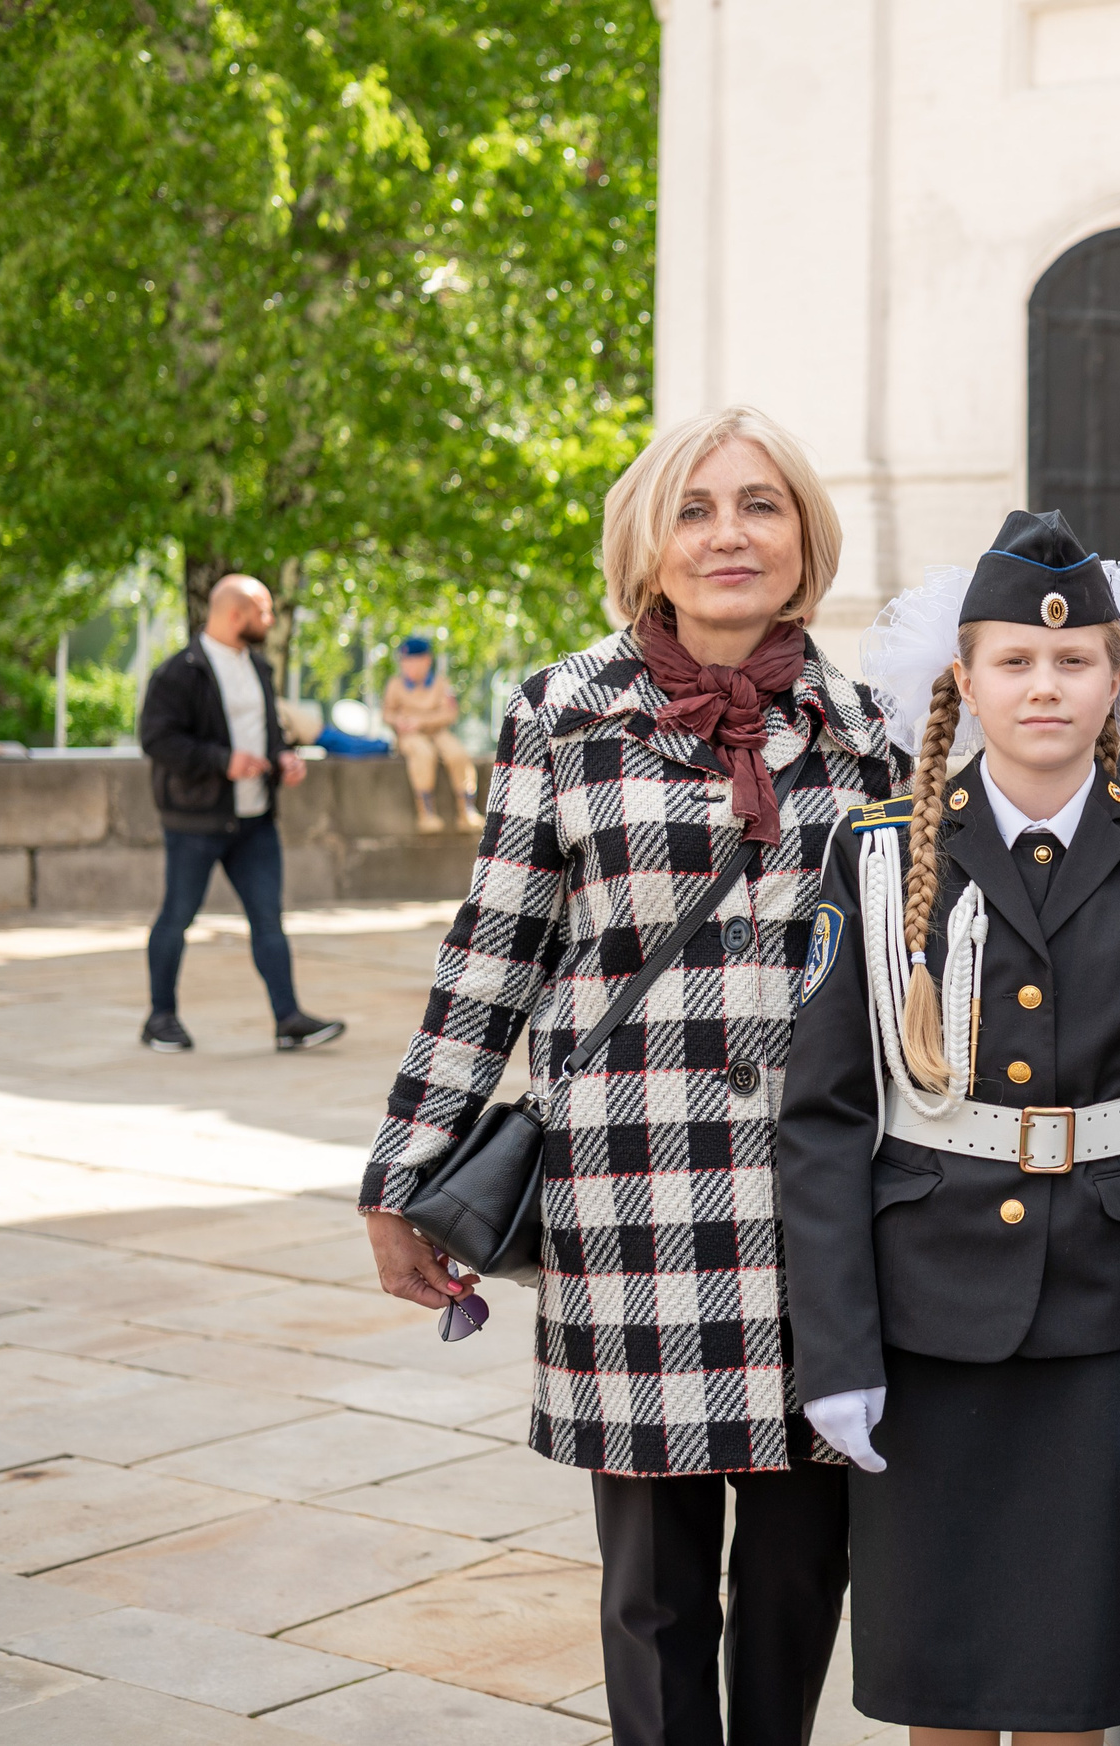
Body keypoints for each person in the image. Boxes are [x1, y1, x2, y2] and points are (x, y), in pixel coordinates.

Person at [358, 405, 904, 1746]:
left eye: (761, 504)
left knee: (795, 1578)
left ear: (805, 537)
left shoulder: (877, 731)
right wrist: (403, 1172)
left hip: (818, 1213)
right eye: (698, 507)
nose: (731, 532)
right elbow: (493, 952)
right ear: (648, 546)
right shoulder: (564, 711)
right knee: (653, 1591)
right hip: (633, 1202)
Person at [779, 510, 1120, 1745]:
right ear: (964, 680)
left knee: (1068, 1684)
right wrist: (836, 1351)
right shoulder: (877, 856)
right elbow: (821, 1119)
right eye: (1016, 661)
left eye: (1075, 659)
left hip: (1104, 1317)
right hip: (927, 1318)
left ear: (1117, 679)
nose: (1047, 684)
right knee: (943, 1678)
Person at [136, 573, 346, 1055]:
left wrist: (282, 758)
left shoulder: (259, 666)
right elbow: (158, 739)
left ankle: (289, 1020)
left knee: (268, 921)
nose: (269, 620)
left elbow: (266, 729)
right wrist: (221, 761)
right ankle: (160, 1017)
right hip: (195, 822)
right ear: (236, 613)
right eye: (263, 611)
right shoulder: (178, 672)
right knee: (177, 917)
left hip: (255, 820)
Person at [380, 634, 480, 831]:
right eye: (405, 662)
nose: (408, 667)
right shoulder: (395, 685)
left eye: (413, 661)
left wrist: (422, 721)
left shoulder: (440, 684)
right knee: (423, 754)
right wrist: (399, 721)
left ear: (427, 661)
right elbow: (386, 713)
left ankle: (466, 809)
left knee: (457, 754)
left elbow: (449, 713)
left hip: (438, 732)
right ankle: (426, 812)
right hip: (409, 735)